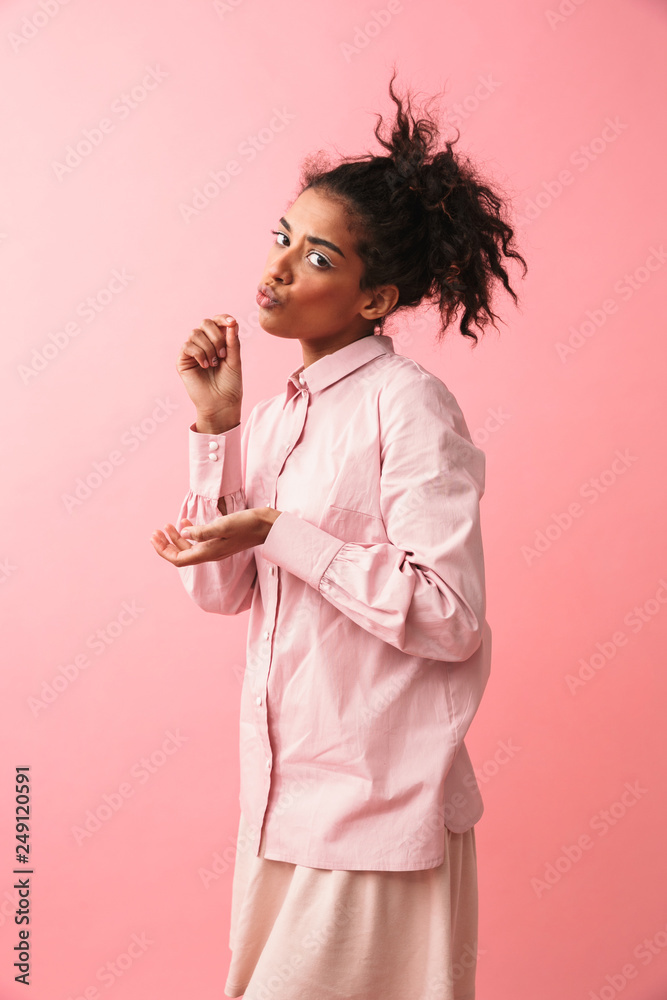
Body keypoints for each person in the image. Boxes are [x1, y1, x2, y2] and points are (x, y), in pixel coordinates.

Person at [151, 68, 527, 1000]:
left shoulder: (410, 407)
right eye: (283, 239)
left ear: (374, 297)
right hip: (281, 806)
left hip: (378, 808)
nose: (277, 269)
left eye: (318, 257)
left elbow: (449, 617)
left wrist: (284, 529)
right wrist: (216, 431)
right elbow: (219, 591)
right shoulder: (278, 416)